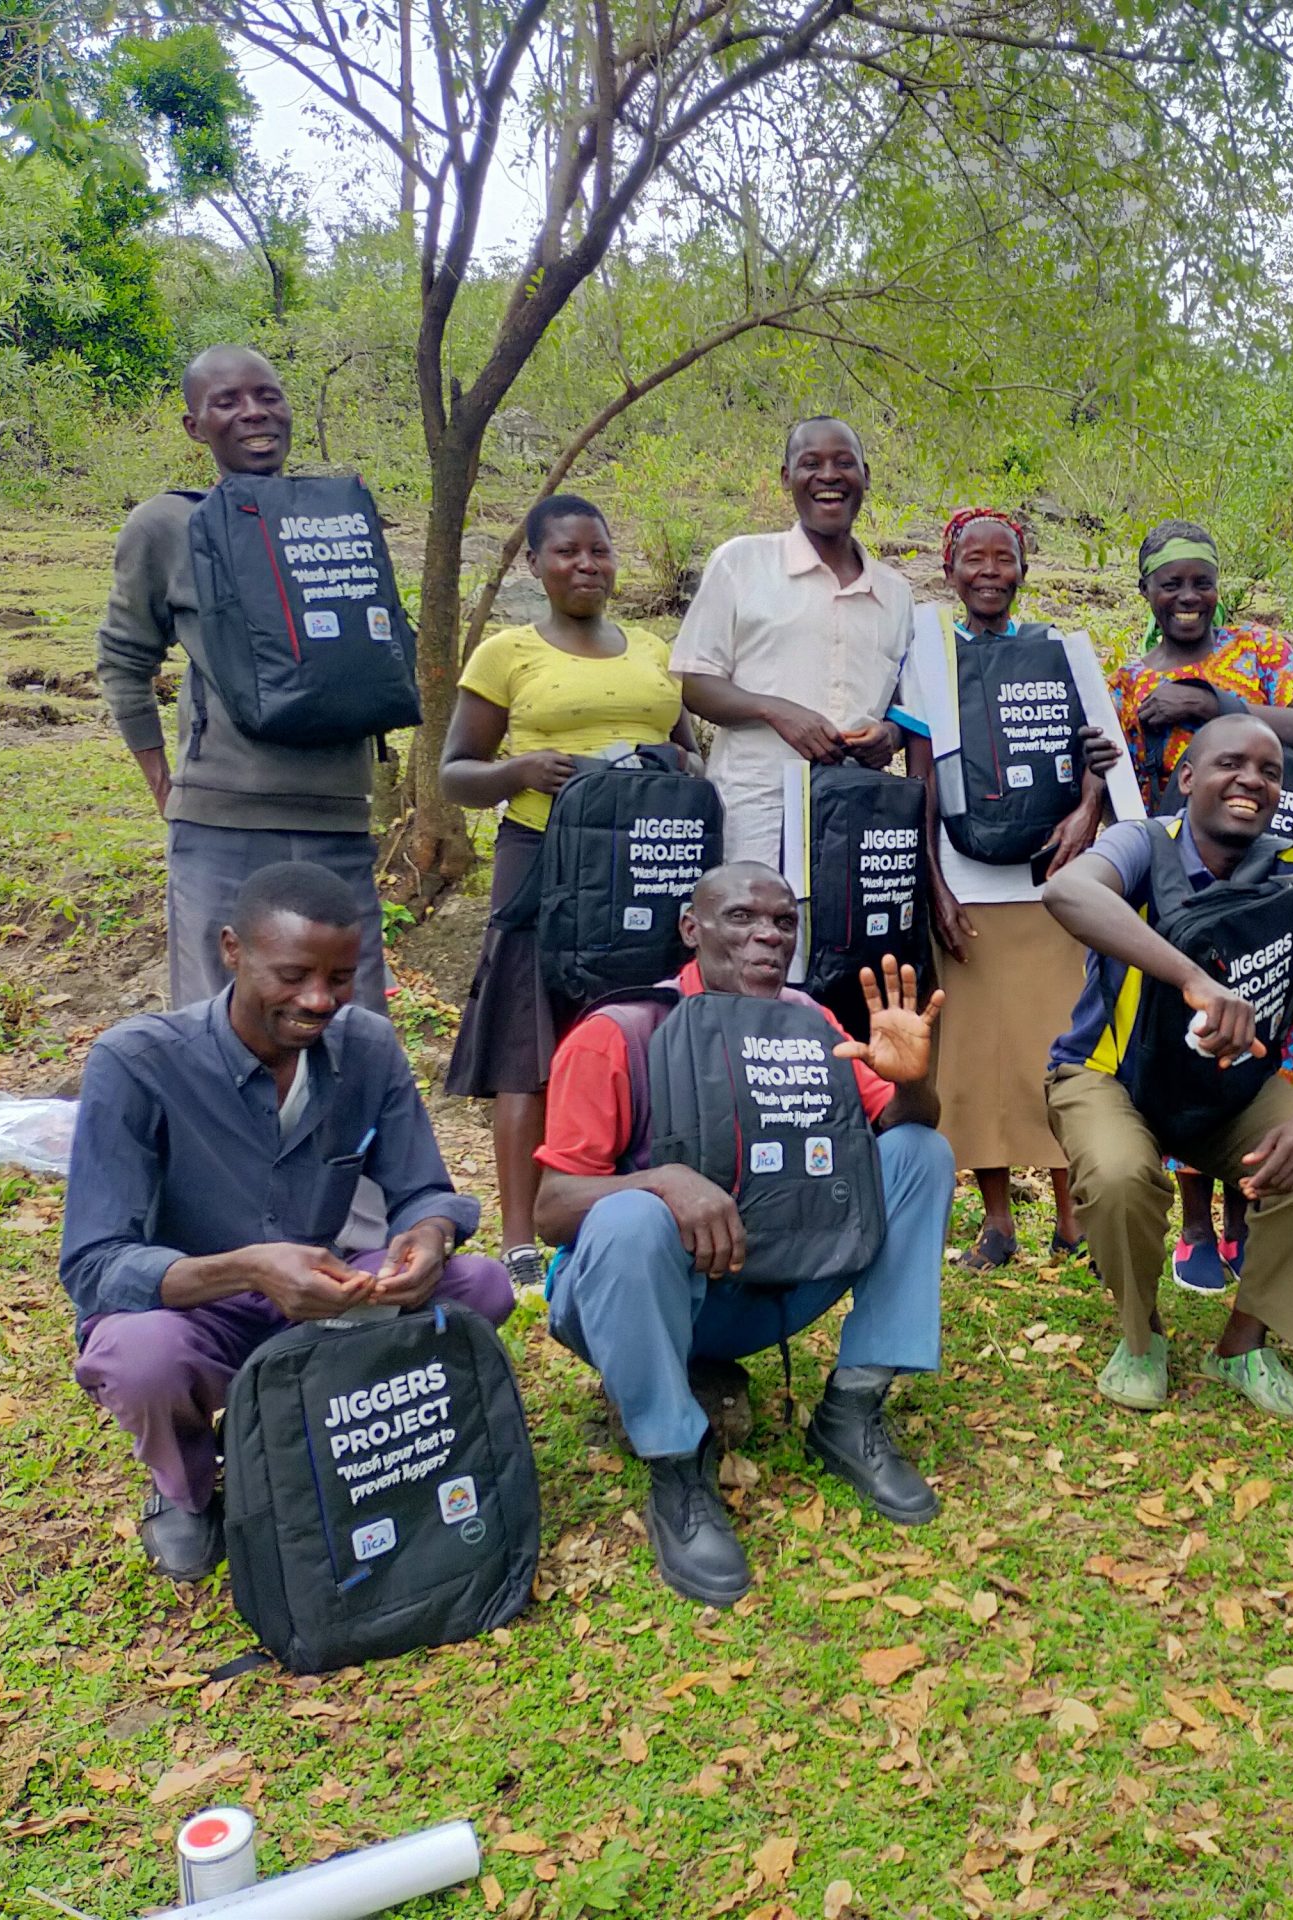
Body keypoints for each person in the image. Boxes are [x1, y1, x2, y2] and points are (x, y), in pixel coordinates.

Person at [61, 862, 513, 1583]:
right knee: (139, 1360)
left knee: (480, 1286)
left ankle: (334, 1441)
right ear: (233, 950)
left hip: (321, 1303)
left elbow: (424, 1190)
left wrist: (427, 1239)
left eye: (340, 978)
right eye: (293, 973)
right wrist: (248, 1268)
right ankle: (187, 1488)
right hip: (196, 1311)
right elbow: (94, 1264)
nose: (319, 1000)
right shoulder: (138, 1063)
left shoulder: (366, 1047)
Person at [531, 863, 953, 1607]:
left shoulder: (809, 1022)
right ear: (692, 930)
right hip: (639, 1298)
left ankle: (851, 1411)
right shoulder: (619, 1034)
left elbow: (902, 1128)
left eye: (783, 922)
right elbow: (554, 1207)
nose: (767, 936)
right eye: (741, 919)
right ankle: (677, 1468)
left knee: (921, 1153)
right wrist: (659, 1181)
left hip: (772, 1281)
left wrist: (915, 1081)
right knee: (629, 1217)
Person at [1042, 714, 1293, 1422]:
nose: (1251, 780)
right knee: (1118, 1175)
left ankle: (1244, 1344)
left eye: (1270, 771)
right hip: (1109, 1076)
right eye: (1231, 763)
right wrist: (1195, 979)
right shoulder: (1141, 843)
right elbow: (1066, 893)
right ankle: (1142, 1338)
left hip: (1225, 1093)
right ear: (1187, 777)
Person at [439, 493, 701, 1295]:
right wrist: (521, 772)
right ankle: (522, 1234)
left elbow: (689, 752)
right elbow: (456, 773)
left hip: (647, 858)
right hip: (545, 853)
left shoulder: (655, 648)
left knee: (637, 1022)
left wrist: (671, 771)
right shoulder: (506, 652)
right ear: (534, 563)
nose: (586, 566)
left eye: (600, 551)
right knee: (530, 1036)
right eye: (567, 553)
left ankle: (626, 1193)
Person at [96, 345, 392, 1013]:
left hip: (338, 819)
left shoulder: (338, 514)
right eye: (226, 402)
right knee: (219, 1025)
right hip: (221, 821)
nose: (254, 412)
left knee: (351, 1026)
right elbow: (123, 657)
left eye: (268, 395)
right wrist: (162, 783)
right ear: (194, 426)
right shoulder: (167, 525)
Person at [1106, 521, 1293, 1294]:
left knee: (1263, 1030)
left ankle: (1248, 1216)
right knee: (1183, 1035)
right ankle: (1197, 1223)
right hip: (1175, 884)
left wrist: (1214, 704)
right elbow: (1119, 779)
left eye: (1201, 581)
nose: (1188, 597)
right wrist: (1129, 731)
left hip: (1267, 871)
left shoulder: (1262, 654)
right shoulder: (1129, 677)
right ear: (1147, 591)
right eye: (1171, 583)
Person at [924, 508, 1118, 1269]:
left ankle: (1071, 1219)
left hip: (1052, 882)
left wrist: (1086, 815)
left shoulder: (1061, 652)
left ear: (1024, 569)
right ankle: (996, 1219)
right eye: (973, 558)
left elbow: (1099, 748)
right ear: (949, 569)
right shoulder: (930, 657)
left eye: (1004, 558)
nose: (989, 572)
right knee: (976, 1055)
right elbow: (922, 778)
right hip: (966, 877)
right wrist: (933, 880)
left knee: (1055, 1041)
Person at [672, 417, 914, 867]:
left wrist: (890, 736)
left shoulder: (896, 592)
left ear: (866, 475)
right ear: (787, 478)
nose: (828, 476)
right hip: (756, 810)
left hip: (855, 813)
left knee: (849, 936)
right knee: (758, 932)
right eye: (810, 463)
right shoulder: (741, 563)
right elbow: (693, 681)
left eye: (844, 463)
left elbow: (904, 707)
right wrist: (776, 710)